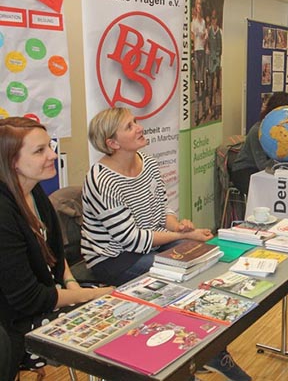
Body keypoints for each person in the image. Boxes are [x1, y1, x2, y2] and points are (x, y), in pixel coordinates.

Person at [81, 108, 250, 381]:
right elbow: (131, 240)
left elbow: (163, 207)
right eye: (129, 126)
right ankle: (185, 365)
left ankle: (209, 352)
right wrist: (183, 238)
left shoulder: (145, 161)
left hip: (151, 245)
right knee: (178, 281)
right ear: (112, 143)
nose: (139, 128)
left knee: (207, 265)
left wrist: (177, 226)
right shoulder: (101, 180)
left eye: (135, 122)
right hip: (114, 258)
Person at [0, 117, 114, 381]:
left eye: (49, 146)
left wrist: (72, 283)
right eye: (40, 151)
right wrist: (85, 297)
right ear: (12, 160)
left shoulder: (34, 192)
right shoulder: (4, 214)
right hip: (17, 322)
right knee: (114, 322)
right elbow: (29, 299)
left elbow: (55, 253)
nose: (52, 155)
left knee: (128, 308)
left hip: (51, 296)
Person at [230, 92, 288, 197]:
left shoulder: (285, 130)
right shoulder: (258, 131)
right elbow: (262, 165)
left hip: (267, 170)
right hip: (245, 171)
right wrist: (287, 156)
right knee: (272, 192)